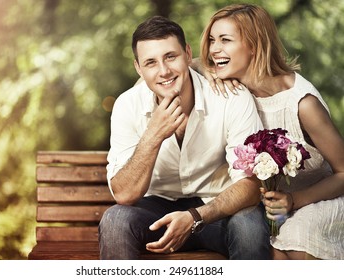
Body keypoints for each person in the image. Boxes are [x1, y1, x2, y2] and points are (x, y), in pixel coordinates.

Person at [98, 15, 271, 260]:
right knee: (115, 220)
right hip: (155, 212)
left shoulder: (232, 97)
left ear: (188, 54)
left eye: (171, 56)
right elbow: (124, 194)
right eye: (151, 62)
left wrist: (195, 216)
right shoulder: (127, 105)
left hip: (216, 208)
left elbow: (251, 186)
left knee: (249, 229)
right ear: (138, 68)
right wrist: (154, 135)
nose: (164, 71)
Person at [198, 3, 344, 259]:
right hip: (272, 209)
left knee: (296, 240)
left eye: (225, 40)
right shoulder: (235, 92)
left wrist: (294, 200)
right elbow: (178, 62)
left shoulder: (302, 103)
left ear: (254, 45)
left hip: (321, 200)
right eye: (211, 40)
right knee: (270, 246)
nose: (214, 49)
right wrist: (203, 68)